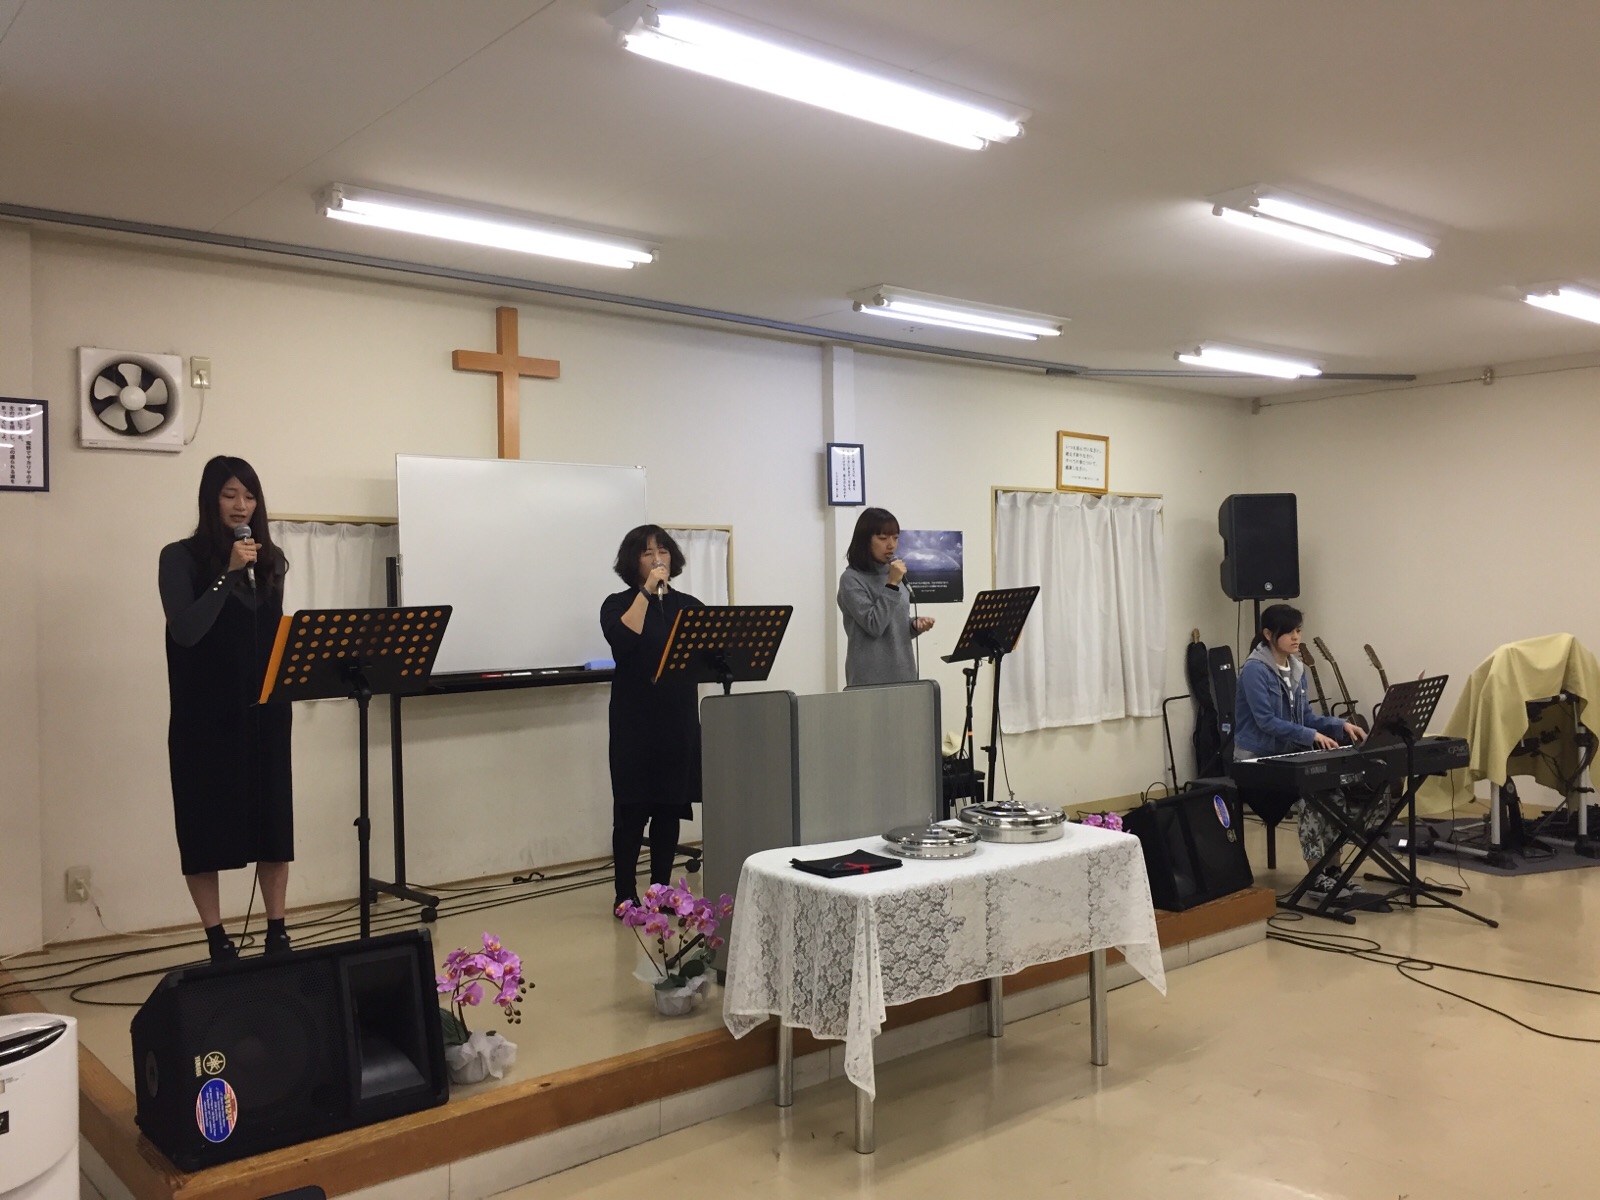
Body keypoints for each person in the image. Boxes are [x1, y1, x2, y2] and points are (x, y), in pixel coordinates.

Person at [160, 455, 293, 963]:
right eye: (230, 494)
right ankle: (217, 939)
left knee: (273, 823)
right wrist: (227, 575)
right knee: (204, 823)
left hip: (264, 711)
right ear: (210, 499)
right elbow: (186, 630)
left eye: (250, 495)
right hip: (204, 718)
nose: (241, 505)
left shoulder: (270, 559)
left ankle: (277, 931)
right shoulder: (180, 558)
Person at [1234, 603, 1377, 899]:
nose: (1296, 637)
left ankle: (1334, 872)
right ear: (1268, 634)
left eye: (1298, 631)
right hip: (1257, 762)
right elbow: (1266, 721)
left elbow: (1306, 717)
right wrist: (1311, 735)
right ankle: (1315, 876)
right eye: (1289, 632)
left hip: (1290, 757)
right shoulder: (1254, 670)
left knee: (1333, 791)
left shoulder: (1298, 669)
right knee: (1311, 797)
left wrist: (1339, 725)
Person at [600, 526, 704, 914]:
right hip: (634, 724)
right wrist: (646, 592)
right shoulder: (616, 605)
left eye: (663, 550)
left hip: (677, 723)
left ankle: (660, 892)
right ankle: (625, 894)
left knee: (668, 809)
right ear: (633, 562)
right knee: (631, 812)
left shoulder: (689, 606)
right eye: (647, 553)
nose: (658, 558)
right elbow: (623, 640)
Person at [836, 507, 935, 687]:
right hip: (869, 680)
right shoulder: (851, 579)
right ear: (865, 541)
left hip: (904, 674)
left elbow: (893, 622)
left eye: (895, 538)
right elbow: (874, 626)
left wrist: (913, 625)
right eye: (883, 538)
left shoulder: (893, 574)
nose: (891, 545)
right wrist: (891, 584)